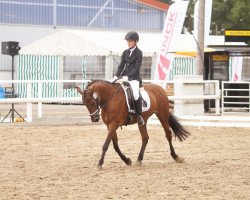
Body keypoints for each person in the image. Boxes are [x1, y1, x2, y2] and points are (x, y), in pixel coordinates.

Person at [113, 31, 144, 126]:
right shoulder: (125, 52)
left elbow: (137, 68)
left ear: (135, 42)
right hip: (123, 77)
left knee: (135, 94)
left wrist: (128, 77)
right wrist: (116, 75)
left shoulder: (139, 53)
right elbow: (121, 65)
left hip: (134, 78)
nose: (129, 43)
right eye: (128, 41)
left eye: (130, 41)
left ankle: (139, 116)